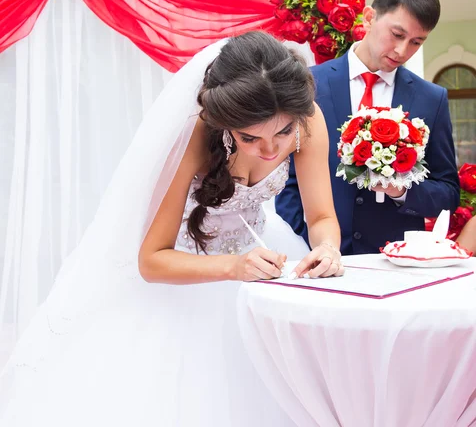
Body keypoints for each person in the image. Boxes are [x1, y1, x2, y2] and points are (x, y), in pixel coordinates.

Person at [0, 31, 342, 427]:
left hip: (267, 258)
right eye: (250, 137)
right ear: (225, 124)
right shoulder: (194, 134)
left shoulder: (308, 119)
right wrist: (233, 268)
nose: (270, 151)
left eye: (283, 134)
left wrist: (328, 248)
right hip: (188, 272)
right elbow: (151, 260)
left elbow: (320, 219)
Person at [276, 0, 460, 254]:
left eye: (416, 42)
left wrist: (402, 191)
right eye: (397, 35)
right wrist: (307, 238)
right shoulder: (309, 85)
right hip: (317, 254)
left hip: (395, 262)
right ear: (369, 17)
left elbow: (447, 192)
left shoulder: (431, 99)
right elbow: (282, 177)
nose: (402, 50)